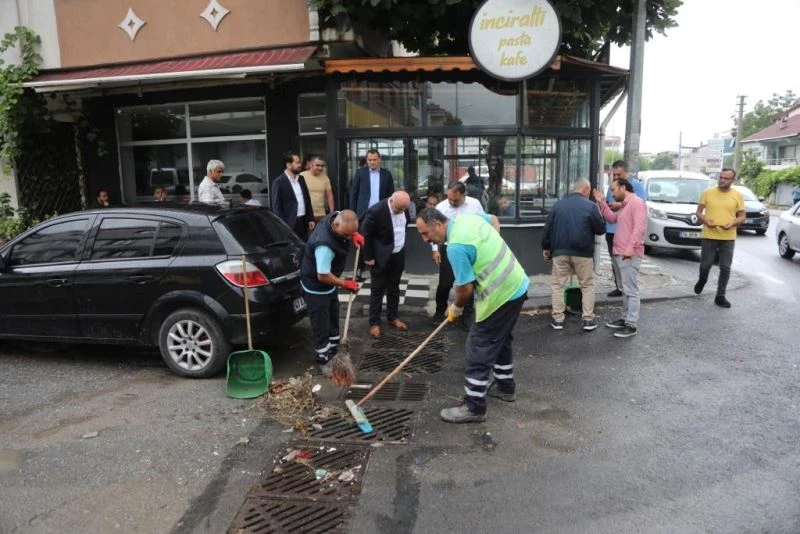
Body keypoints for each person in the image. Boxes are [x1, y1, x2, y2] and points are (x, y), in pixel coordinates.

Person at [416, 208, 529, 423]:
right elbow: (494, 219)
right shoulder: (466, 218)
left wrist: (456, 308)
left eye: (425, 233)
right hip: (517, 282)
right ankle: (505, 386)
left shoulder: (456, 247)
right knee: (501, 338)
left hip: (501, 294)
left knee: (479, 344)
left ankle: (474, 406)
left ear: (438, 225)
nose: (425, 239)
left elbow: (464, 288)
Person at [300, 210, 365, 366]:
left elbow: (345, 220)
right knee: (321, 322)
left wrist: (354, 233)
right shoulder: (324, 245)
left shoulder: (336, 216)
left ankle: (336, 349)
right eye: (346, 235)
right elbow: (322, 276)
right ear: (336, 225)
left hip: (328, 286)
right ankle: (323, 357)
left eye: (352, 234)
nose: (349, 238)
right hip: (316, 286)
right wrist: (345, 283)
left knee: (333, 314)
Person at [542, 178, 606, 331]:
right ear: (585, 189)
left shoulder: (558, 205)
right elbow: (601, 229)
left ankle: (558, 320)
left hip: (560, 252)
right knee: (587, 285)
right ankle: (588, 320)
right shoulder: (590, 207)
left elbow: (548, 228)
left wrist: (546, 248)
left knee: (558, 285)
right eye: (589, 191)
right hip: (583, 253)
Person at [593, 177, 648, 338]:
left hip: (628, 254)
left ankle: (631, 324)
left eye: (613, 189)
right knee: (625, 289)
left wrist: (630, 249)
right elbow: (611, 218)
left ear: (623, 188)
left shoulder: (637, 203)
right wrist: (602, 202)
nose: (612, 192)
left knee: (631, 290)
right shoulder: (626, 205)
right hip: (620, 252)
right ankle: (626, 319)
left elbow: (639, 228)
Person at [431, 182, 485, 327]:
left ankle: (466, 317)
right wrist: (435, 249)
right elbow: (434, 229)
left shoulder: (475, 204)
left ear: (464, 195)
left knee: (468, 283)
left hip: (469, 249)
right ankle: (439, 312)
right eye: (450, 199)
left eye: (455, 199)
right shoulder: (441, 207)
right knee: (445, 283)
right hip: (449, 249)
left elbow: (483, 223)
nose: (452, 202)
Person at [362, 191, 411, 337]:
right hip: (380, 256)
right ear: (392, 201)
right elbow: (366, 234)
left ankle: (393, 317)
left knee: (394, 288)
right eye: (399, 209)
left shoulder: (403, 208)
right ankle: (375, 323)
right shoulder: (376, 211)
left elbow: (404, 227)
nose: (402, 211)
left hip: (398, 253)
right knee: (378, 289)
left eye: (404, 209)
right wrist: (368, 256)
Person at [693, 168, 745, 308]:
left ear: (733, 180)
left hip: (728, 237)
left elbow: (742, 216)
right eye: (721, 177)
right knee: (705, 265)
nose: (722, 180)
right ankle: (702, 280)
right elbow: (698, 212)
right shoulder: (708, 193)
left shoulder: (737, 195)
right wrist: (706, 221)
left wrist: (733, 223)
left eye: (726, 178)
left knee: (725, 267)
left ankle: (720, 296)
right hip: (709, 235)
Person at [604, 160, 647, 297]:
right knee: (615, 262)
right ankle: (619, 286)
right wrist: (603, 204)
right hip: (612, 230)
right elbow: (609, 208)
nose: (616, 178)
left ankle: (630, 312)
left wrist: (620, 205)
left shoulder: (635, 187)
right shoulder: (614, 186)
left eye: (619, 174)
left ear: (627, 173)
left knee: (628, 270)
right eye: (614, 175)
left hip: (627, 234)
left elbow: (640, 211)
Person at [350, 149, 394, 278]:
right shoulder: (360, 173)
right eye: (370, 160)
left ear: (379, 159)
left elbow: (391, 195)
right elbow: (354, 194)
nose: (372, 162)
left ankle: (378, 267)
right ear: (367, 160)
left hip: (381, 213)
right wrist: (353, 214)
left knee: (380, 240)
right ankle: (360, 269)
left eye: (375, 160)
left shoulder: (387, 174)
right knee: (363, 241)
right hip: (364, 214)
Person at [271, 151, 315, 241]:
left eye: (300, 162)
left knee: (304, 246)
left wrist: (311, 218)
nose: (300, 165)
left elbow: (307, 199)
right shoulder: (278, 182)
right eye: (297, 162)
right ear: (288, 165)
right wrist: (282, 226)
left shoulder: (301, 179)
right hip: (289, 223)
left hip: (303, 221)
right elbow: (276, 207)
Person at [300, 155, 335, 223]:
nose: (320, 168)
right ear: (311, 164)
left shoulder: (325, 177)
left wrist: (332, 214)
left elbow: (329, 196)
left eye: (322, 166)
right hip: (307, 215)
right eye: (317, 165)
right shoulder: (302, 176)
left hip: (321, 215)